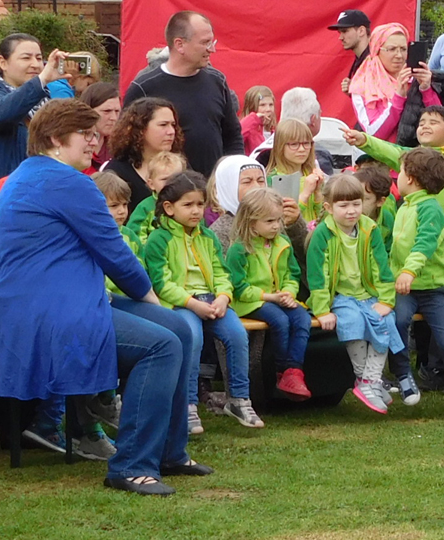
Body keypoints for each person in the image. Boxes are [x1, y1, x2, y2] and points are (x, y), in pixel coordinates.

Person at [0, 100, 196, 495]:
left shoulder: (22, 176)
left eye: (94, 133)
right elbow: (114, 252)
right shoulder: (70, 181)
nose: (94, 141)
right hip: (53, 312)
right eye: (85, 134)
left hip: (33, 309)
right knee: (163, 345)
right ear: (54, 139)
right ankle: (132, 465)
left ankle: (171, 452)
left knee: (178, 328)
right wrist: (151, 298)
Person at [141, 171, 263, 431]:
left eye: (200, 204)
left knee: (237, 335)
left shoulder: (207, 237)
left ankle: (239, 399)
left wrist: (223, 297)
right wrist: (191, 303)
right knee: (192, 337)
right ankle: (187, 404)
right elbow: (162, 283)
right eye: (188, 205)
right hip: (179, 305)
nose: (196, 211)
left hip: (211, 300)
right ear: (169, 208)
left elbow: (221, 272)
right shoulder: (158, 239)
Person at [386, 146, 444, 425]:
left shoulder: (430, 209)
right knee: (396, 323)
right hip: (404, 289)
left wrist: (409, 272)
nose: (397, 177)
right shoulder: (405, 207)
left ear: (410, 178)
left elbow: (425, 242)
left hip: (432, 288)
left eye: (399, 172)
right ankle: (403, 376)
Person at [307, 171, 405, 414]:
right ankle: (368, 381)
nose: (351, 210)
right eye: (344, 205)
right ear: (329, 207)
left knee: (385, 320)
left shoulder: (369, 229)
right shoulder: (323, 234)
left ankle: (369, 381)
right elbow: (318, 276)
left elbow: (381, 267)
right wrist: (321, 310)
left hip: (368, 293)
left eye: (356, 204)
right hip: (340, 297)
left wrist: (386, 300)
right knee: (352, 322)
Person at [122, 11, 245, 179]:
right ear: (179, 45)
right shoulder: (144, 87)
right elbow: (126, 145)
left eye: (212, 42)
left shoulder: (217, 81)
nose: (212, 49)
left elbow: (233, 136)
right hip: (168, 195)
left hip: (214, 193)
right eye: (205, 43)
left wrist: (233, 176)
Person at [224, 185, 313, 400]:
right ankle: (282, 370)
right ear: (251, 222)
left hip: (278, 297)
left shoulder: (283, 243)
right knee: (280, 320)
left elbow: (292, 274)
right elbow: (238, 286)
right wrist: (268, 297)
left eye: (278, 220)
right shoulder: (239, 249)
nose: (276, 226)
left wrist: (289, 293)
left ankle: (294, 370)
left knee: (302, 318)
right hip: (250, 301)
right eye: (270, 221)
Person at [0, 33, 76, 205]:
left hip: (39, 191)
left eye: (39, 58)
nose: (35, 65)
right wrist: (41, 81)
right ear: (3, 62)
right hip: (4, 197)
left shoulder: (43, 97)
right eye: (26, 58)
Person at [99, 98, 180, 214]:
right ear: (140, 129)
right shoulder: (116, 171)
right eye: (163, 125)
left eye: (173, 125)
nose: (171, 131)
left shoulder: (180, 165)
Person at [343, 21, 415, 141]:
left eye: (403, 49)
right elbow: (373, 134)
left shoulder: (413, 79)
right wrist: (398, 97)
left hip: (415, 155)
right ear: (377, 50)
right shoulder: (362, 85)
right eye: (391, 49)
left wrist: (426, 89)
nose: (399, 55)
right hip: (379, 157)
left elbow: (437, 124)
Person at [207, 155, 268, 249]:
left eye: (260, 180)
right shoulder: (220, 231)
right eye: (247, 182)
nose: (257, 187)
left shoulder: (273, 218)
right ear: (229, 188)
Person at [329, 8, 372, 97]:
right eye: (340, 32)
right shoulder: (361, 59)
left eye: (345, 31)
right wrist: (354, 91)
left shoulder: (377, 58)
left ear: (361, 31)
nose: (340, 37)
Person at [239, 85, 277, 155]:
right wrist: (254, 118)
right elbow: (237, 135)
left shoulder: (274, 132)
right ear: (252, 107)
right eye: (262, 105)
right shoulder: (248, 131)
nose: (268, 109)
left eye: (271, 105)